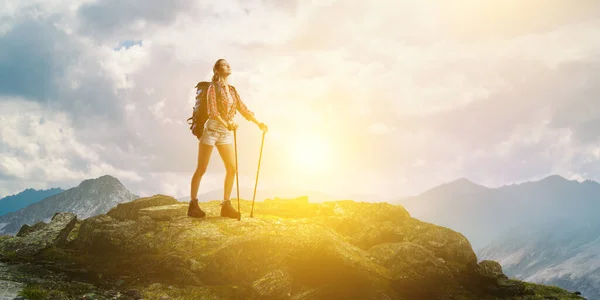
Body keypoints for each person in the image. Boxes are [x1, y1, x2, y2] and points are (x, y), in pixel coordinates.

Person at [188, 59, 268, 219]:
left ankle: (226, 205)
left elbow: (243, 109)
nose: (228, 65)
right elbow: (212, 112)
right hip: (211, 130)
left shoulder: (232, 90)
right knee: (202, 168)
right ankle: (193, 204)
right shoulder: (212, 88)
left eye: (228, 64)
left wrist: (259, 123)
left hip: (225, 133)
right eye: (224, 64)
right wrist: (228, 124)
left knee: (232, 168)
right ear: (217, 70)